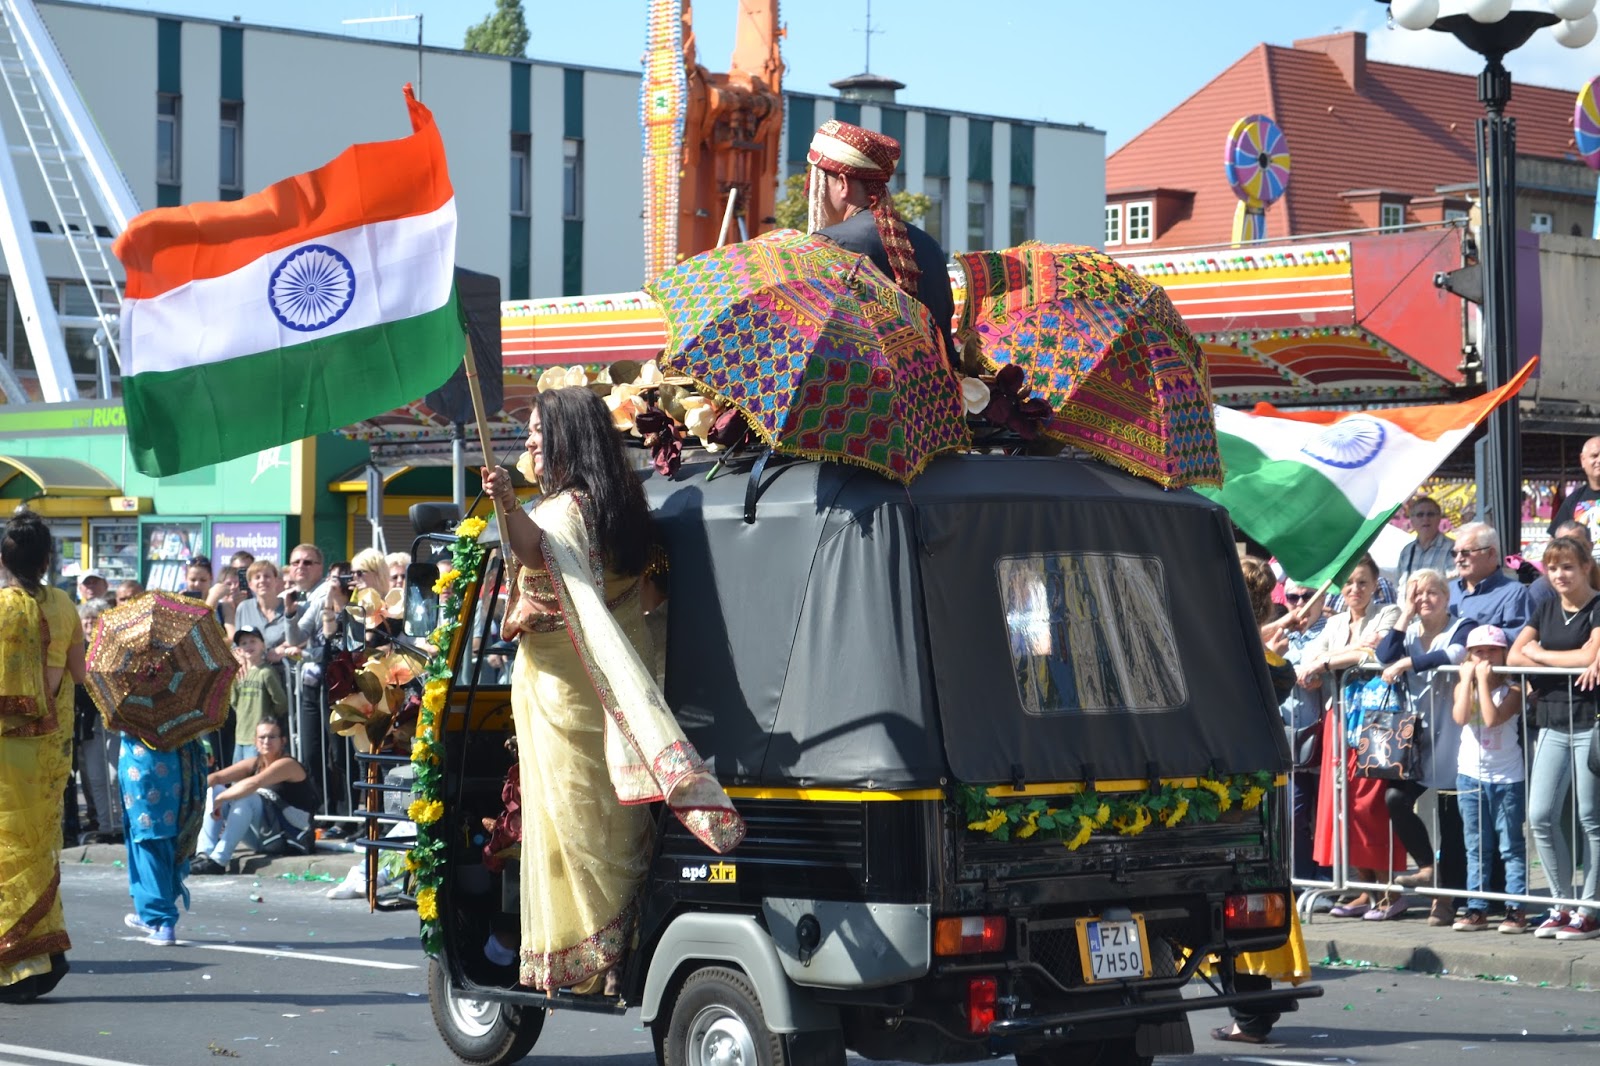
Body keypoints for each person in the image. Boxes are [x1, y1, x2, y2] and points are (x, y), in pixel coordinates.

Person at [480, 386, 745, 994]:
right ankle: (621, 947)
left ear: (568, 438)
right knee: (610, 826)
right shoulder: (619, 506)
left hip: (567, 704)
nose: (530, 444)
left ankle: (598, 954)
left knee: (576, 831)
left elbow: (534, 549)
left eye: (538, 432)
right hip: (604, 697)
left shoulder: (563, 512)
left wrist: (509, 506)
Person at [1210, 557, 1313, 1045]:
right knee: (1246, 894)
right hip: (1260, 787)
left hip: (1222, 786)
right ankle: (1253, 1009)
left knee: (1229, 899)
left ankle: (1250, 1014)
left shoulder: (1217, 653)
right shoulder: (1271, 663)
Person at [0, 509, 85, 1002]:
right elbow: (79, 673)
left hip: (6, 748)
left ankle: (18, 962)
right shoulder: (64, 605)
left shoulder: (2, 609)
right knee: (35, 850)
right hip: (48, 751)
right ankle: (44, 954)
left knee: (6, 850)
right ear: (47, 559)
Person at [1298, 555, 1406, 917]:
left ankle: (1388, 889)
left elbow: (1374, 652)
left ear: (1375, 584)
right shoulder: (1334, 622)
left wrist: (1328, 662)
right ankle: (1363, 888)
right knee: (1342, 801)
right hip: (1340, 716)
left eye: (1362, 582)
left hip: (1377, 718)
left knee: (1371, 801)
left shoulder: (1387, 613)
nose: (1355, 589)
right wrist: (1339, 656)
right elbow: (1311, 658)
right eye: (1348, 583)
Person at [804, 118, 956, 367]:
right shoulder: (931, 247)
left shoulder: (828, 246)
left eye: (819, 184)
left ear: (843, 184)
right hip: (929, 387)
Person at [1508, 535, 1600, 941]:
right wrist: (1556, 658)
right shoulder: (1545, 607)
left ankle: (1590, 909)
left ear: (1585, 568)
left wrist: (1540, 654)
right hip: (1551, 720)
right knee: (1540, 815)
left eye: (1567, 567)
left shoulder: (1597, 607)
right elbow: (1514, 656)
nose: (1559, 575)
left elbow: (1589, 657)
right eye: (1553, 567)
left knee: (1590, 818)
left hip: (1590, 721)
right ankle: (1562, 905)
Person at [1376, 569, 1469, 926]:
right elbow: (1384, 654)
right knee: (1395, 798)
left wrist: (1408, 662)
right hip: (1415, 738)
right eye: (1417, 594)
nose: (1425, 599)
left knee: (1451, 822)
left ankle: (1447, 901)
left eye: (1432, 593)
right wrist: (1404, 615)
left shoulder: (1462, 625)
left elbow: (1455, 653)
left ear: (1446, 596)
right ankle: (1428, 867)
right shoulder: (1410, 631)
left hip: (1453, 733)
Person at [1449, 625, 1527, 933]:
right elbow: (1460, 717)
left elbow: (1493, 719)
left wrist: (1481, 680)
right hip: (1470, 775)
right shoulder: (1463, 686)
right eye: (1478, 652)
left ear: (1504, 654)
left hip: (1507, 777)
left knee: (1510, 846)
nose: (1485, 657)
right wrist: (1467, 681)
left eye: (1492, 651)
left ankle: (1515, 907)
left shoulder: (1514, 689)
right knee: (1476, 847)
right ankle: (1476, 907)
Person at [191, 718, 315, 874]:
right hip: (263, 837)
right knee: (214, 789)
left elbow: (254, 783)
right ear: (255, 741)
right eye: (262, 737)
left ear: (283, 741)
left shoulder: (288, 764)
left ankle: (219, 861)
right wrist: (193, 796)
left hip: (290, 839)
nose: (266, 741)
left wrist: (221, 799)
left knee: (247, 797)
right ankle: (204, 854)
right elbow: (216, 777)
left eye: (272, 737)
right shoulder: (255, 763)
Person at [119, 734, 207, 945]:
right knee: (166, 839)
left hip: (143, 767)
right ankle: (151, 913)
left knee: (147, 840)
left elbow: (114, 720)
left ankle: (161, 920)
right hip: (176, 766)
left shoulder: (131, 709)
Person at [75, 596, 124, 845]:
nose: (89, 624)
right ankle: (105, 825)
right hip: (89, 721)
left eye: (94, 619)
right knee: (95, 776)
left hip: (114, 719)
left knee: (115, 775)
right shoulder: (77, 650)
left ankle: (120, 822)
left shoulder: (114, 648)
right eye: (85, 619)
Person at [1449, 522, 1531, 633]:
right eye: (1454, 553)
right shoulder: (1448, 590)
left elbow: (1518, 639)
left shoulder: (1514, 594)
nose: (1458, 559)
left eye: (1466, 552)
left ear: (1491, 553)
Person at [228, 627, 287, 764]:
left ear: (263, 645)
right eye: (243, 643)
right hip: (241, 736)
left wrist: (268, 716)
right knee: (239, 775)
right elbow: (234, 702)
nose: (248, 645)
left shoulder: (266, 672)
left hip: (260, 738)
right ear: (239, 649)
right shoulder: (238, 674)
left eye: (253, 641)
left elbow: (281, 703)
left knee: (256, 773)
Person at [1548, 435, 1600, 539]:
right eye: (1594, 456)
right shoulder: (1572, 501)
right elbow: (1555, 540)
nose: (1599, 460)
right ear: (1582, 460)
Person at [1397, 496, 1455, 589]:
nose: (1425, 519)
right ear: (1412, 520)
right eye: (1420, 515)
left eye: (1430, 514)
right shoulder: (1407, 551)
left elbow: (1453, 586)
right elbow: (1400, 587)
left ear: (1439, 518)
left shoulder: (1452, 548)